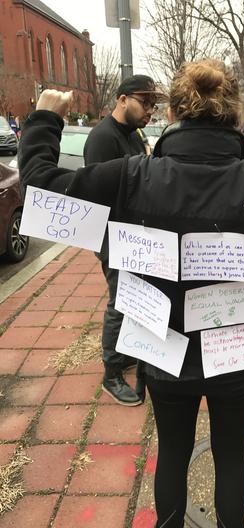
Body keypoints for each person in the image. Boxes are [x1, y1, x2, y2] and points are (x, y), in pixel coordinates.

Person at [18, 59, 244, 528]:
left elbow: (40, 187)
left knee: (172, 450)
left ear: (178, 112)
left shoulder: (130, 176)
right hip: (235, 353)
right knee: (231, 455)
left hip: (164, 350)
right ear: (232, 115)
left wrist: (45, 117)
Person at [84, 74, 162, 406]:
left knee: (133, 297)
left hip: (133, 234)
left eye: (153, 106)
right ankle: (111, 373)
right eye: (145, 103)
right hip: (114, 235)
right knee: (120, 301)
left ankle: (123, 352)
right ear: (122, 99)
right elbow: (100, 193)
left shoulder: (133, 135)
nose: (150, 111)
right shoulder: (103, 138)